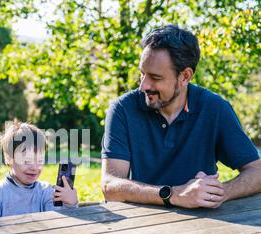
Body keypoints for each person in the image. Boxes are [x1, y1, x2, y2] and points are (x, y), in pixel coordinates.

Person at [101, 25, 261, 209]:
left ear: (185, 76)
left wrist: (219, 192)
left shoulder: (215, 108)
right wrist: (174, 194)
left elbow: (257, 171)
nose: (144, 85)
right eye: (142, 74)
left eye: (155, 77)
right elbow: (110, 185)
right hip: (140, 226)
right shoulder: (122, 109)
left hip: (206, 228)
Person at [0, 120, 78, 220]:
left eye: (39, 160)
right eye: (26, 161)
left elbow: (59, 224)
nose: (34, 167)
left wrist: (70, 205)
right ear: (9, 159)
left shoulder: (47, 192)